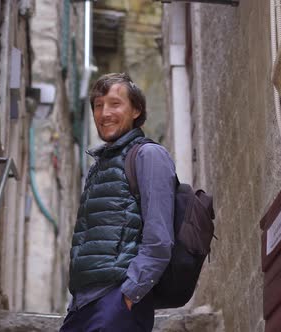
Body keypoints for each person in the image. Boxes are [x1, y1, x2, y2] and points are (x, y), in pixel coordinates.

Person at [60, 73, 176, 332]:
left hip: (117, 301)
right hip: (83, 303)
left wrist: (130, 294)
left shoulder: (148, 155)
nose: (104, 113)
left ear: (136, 110)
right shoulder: (99, 167)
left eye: (114, 103)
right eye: (98, 105)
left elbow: (159, 239)